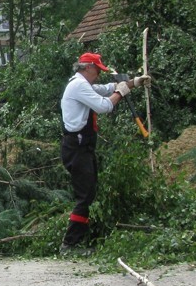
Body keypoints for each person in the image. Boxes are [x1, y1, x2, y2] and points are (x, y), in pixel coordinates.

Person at [59, 52, 150, 255]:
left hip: (83, 147)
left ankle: (79, 238)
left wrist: (134, 82)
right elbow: (104, 106)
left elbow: (107, 89)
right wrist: (122, 92)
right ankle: (69, 245)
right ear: (88, 67)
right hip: (76, 147)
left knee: (89, 193)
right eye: (98, 70)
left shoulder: (84, 84)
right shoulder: (78, 85)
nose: (99, 74)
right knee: (85, 196)